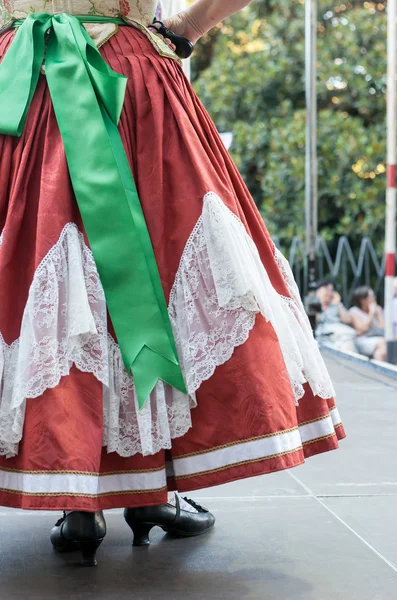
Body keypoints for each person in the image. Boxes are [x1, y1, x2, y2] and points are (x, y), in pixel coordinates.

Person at [0, 0, 345, 567]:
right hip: (127, 77)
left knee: (49, 274)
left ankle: (82, 501)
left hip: (17, 82)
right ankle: (149, 490)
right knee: (152, 273)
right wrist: (187, 27)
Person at [315, 280, 356, 352]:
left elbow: (347, 319)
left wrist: (338, 303)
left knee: (348, 344)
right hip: (321, 337)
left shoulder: (336, 305)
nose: (329, 293)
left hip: (338, 336)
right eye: (326, 289)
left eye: (331, 290)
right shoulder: (314, 305)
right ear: (318, 292)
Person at [349, 286, 386, 361]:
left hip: (378, 339)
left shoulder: (377, 310)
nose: (374, 298)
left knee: (383, 346)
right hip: (362, 340)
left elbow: (383, 328)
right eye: (371, 296)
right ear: (363, 300)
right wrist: (371, 313)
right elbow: (363, 328)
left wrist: (378, 314)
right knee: (382, 343)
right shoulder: (354, 311)